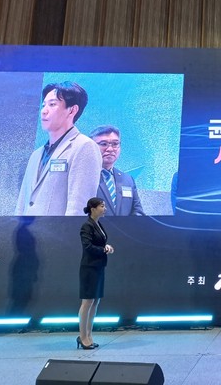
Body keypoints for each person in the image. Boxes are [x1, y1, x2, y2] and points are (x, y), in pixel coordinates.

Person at [15, 82, 102, 216]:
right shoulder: (36, 155)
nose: (44, 111)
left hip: (57, 230)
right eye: (43, 105)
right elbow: (22, 205)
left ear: (72, 110)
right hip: (28, 229)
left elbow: (78, 208)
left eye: (52, 104)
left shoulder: (84, 146)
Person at [78, 197, 114, 350]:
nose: (104, 208)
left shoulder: (98, 224)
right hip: (89, 268)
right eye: (102, 206)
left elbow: (99, 242)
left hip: (99, 266)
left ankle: (89, 335)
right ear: (93, 209)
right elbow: (87, 246)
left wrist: (106, 246)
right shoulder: (86, 226)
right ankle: (82, 337)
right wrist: (103, 249)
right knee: (87, 302)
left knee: (95, 302)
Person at [90, 126, 145, 216]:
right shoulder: (84, 176)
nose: (110, 149)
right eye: (104, 144)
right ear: (91, 147)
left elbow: (138, 211)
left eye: (115, 144)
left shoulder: (127, 179)